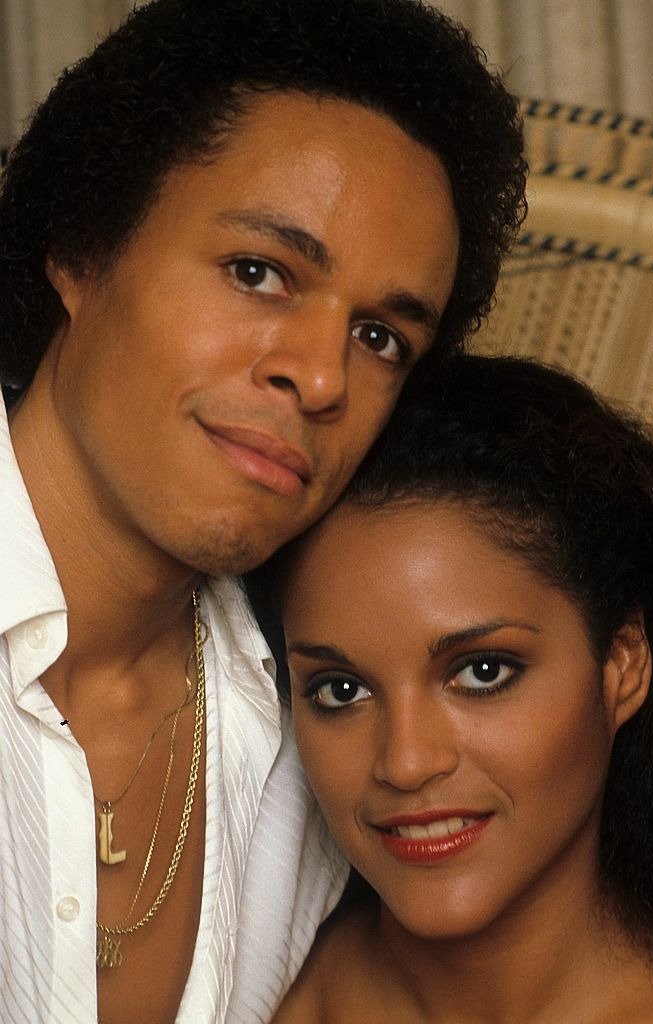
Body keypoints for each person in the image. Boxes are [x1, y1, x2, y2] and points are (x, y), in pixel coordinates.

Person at [0, 0, 526, 1019]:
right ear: (80, 248)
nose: (320, 376)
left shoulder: (334, 727)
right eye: (259, 273)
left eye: (380, 337)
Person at [269, 355, 653, 1023]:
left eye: (481, 673)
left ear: (622, 663)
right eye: (340, 690)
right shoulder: (244, 990)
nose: (405, 763)